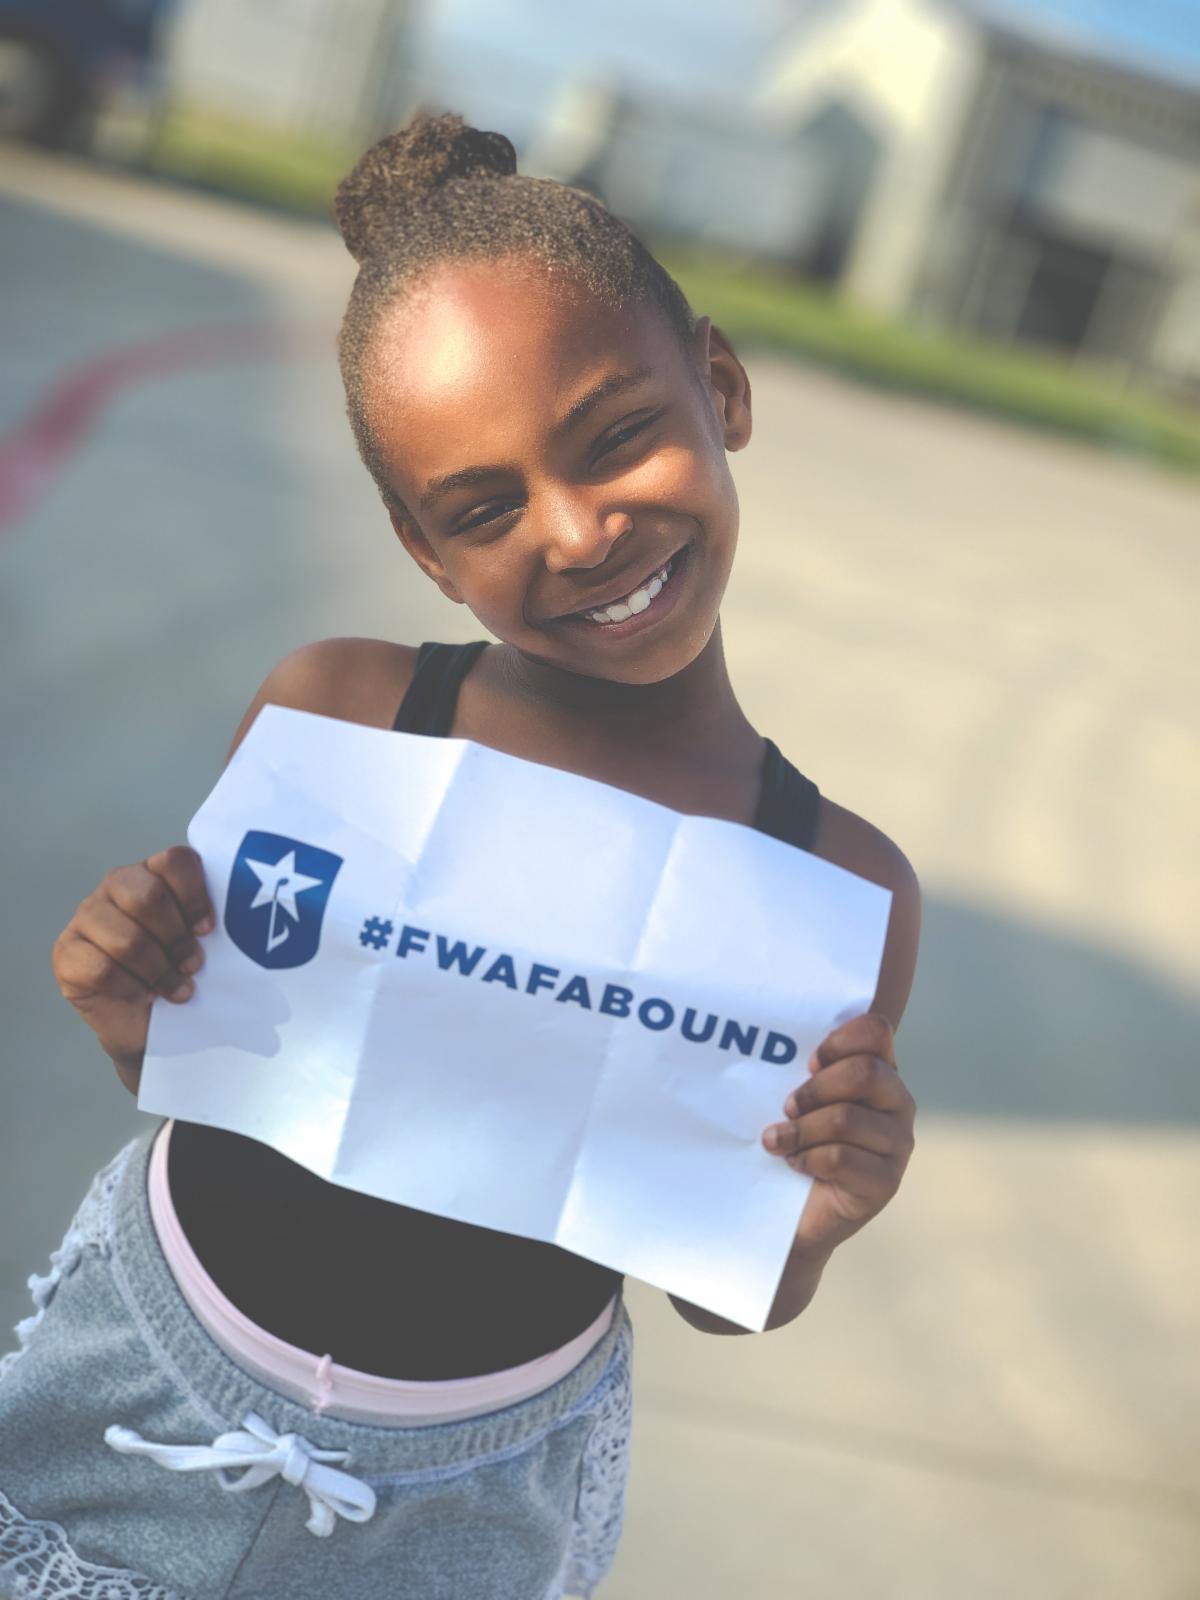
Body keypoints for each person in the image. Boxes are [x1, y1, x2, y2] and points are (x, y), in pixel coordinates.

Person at [1, 113, 920, 1600]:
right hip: (138, 1376)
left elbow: (726, 1291)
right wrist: (132, 1006)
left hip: (480, 1493)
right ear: (424, 548)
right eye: (485, 508)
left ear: (723, 387)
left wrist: (809, 1226)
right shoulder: (336, 717)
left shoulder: (838, 890)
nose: (580, 531)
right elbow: (226, 1074)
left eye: (616, 436)